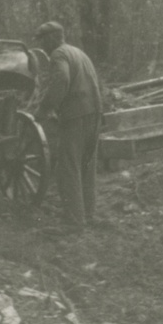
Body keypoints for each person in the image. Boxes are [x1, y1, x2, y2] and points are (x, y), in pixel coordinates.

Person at [33, 21, 102, 229]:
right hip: (94, 112)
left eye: (43, 40)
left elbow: (62, 79)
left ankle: (73, 221)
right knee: (86, 165)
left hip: (76, 115)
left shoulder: (58, 55)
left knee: (68, 167)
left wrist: (45, 108)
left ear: (53, 38)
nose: (42, 46)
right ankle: (87, 215)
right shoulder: (77, 52)